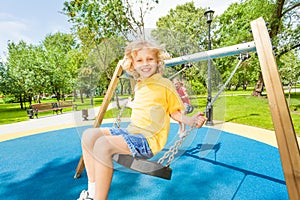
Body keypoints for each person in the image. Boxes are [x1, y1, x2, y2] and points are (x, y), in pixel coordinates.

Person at [77, 40, 207, 200]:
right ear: (133, 64)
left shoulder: (165, 84)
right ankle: (91, 193)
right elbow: (125, 64)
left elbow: (175, 112)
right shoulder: (139, 84)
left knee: (102, 145)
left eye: (150, 59)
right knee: (88, 135)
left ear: (158, 62)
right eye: (139, 60)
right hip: (131, 132)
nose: (145, 64)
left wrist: (190, 120)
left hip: (147, 140)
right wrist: (131, 59)